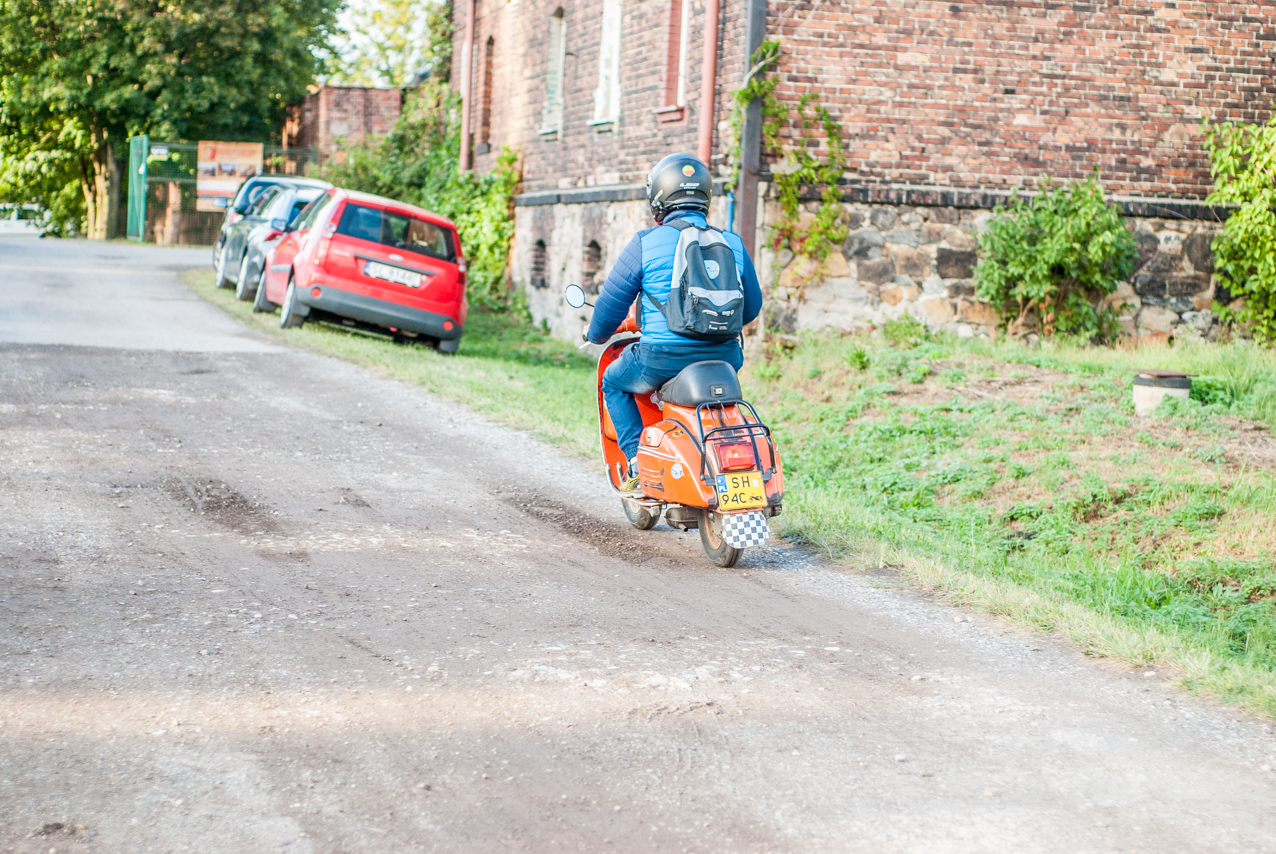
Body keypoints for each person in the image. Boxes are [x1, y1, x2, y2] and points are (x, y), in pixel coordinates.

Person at [586, 153, 763, 491]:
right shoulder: (733, 243)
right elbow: (751, 308)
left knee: (613, 381)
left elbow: (609, 307)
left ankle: (635, 462)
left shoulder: (645, 243)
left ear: (659, 198)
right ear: (706, 195)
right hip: (725, 358)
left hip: (662, 358)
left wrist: (596, 334)